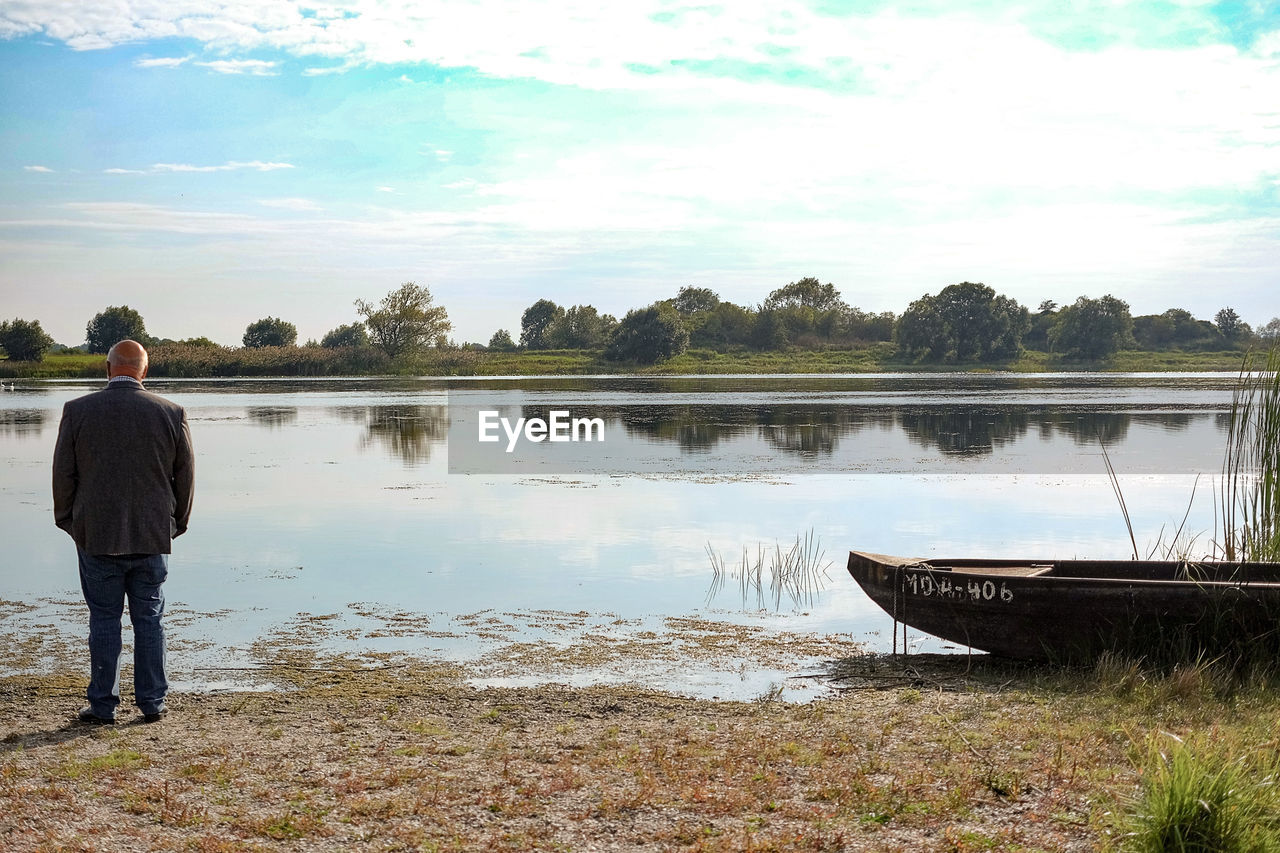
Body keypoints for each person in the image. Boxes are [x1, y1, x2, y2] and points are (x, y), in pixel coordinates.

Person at [52, 340, 195, 725]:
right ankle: (152, 703)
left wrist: (68, 521)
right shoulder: (171, 412)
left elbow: (63, 474)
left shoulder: (77, 410)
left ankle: (103, 705)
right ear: (144, 371)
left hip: (95, 533)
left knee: (103, 619)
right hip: (151, 534)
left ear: (107, 367)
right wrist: (176, 523)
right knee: (149, 617)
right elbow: (185, 478)